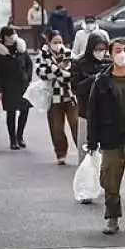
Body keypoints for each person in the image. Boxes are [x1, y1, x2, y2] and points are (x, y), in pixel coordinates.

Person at [87, 39, 125, 235]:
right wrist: (92, 140)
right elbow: (92, 111)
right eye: (118, 50)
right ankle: (112, 218)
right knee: (111, 181)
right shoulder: (101, 80)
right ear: (111, 55)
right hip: (110, 138)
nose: (122, 53)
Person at [72, 32, 110, 183]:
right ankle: (85, 183)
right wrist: (94, 79)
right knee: (86, 149)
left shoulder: (108, 62)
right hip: (86, 113)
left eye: (103, 48)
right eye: (97, 48)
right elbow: (76, 88)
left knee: (105, 152)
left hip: (105, 114)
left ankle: (101, 182)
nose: (100, 52)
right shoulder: (79, 63)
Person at [36, 29, 78, 165]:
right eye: (55, 42)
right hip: (53, 97)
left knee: (76, 124)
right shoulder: (42, 55)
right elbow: (41, 73)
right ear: (49, 42)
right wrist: (60, 69)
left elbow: (74, 73)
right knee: (57, 128)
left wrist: (55, 71)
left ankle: (84, 152)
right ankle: (60, 153)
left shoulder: (69, 53)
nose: (58, 44)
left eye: (60, 42)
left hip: (70, 95)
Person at [0, 26, 32, 150]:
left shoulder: (21, 48)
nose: (11, 38)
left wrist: (28, 77)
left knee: (25, 111)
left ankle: (20, 136)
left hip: (22, 84)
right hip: (8, 85)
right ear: (3, 37)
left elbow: (29, 63)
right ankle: (12, 140)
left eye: (13, 35)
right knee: (11, 112)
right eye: (8, 36)